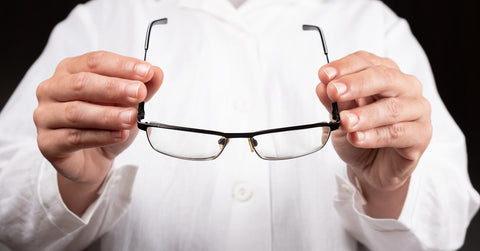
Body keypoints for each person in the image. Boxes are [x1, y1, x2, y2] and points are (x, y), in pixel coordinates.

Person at [0, 0, 478, 250]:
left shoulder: (373, 22)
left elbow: (445, 226)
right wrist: (70, 181)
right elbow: (10, 220)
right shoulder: (98, 21)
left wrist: (391, 189)